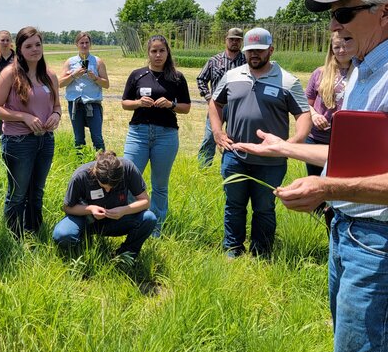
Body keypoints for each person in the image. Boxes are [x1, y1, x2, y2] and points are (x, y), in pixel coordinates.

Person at [232, 0, 388, 352]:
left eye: (345, 12)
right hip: (349, 231)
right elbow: (359, 161)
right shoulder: (365, 68)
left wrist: (325, 189)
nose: (335, 25)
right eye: (332, 15)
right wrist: (287, 148)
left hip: (382, 244)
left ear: (387, 13)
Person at [209, 27, 311, 259]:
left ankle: (261, 253)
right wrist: (217, 132)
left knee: (264, 208)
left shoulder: (287, 81)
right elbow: (215, 104)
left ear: (271, 50)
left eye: (259, 50)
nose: (254, 54)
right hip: (235, 155)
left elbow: (304, 115)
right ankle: (232, 250)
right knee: (234, 204)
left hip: (271, 161)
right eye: (250, 50)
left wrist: (290, 144)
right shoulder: (232, 76)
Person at [0, 27, 62, 237]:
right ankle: (14, 236)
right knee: (18, 193)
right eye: (28, 46)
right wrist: (24, 116)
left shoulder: (49, 75)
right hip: (18, 141)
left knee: (37, 192)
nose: (34, 49)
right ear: (19, 49)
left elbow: (57, 106)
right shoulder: (9, 74)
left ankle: (33, 233)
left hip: (45, 140)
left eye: (38, 44)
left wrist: (56, 116)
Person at [121, 35, 190, 237]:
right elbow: (125, 102)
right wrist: (138, 103)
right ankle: (133, 223)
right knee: (130, 179)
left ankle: (155, 228)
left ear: (168, 52)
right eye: (154, 51)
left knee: (160, 185)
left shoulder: (176, 77)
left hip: (166, 135)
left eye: (162, 51)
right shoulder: (138, 75)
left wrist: (171, 105)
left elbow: (186, 108)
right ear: (148, 53)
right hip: (139, 134)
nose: (158, 55)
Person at [52, 151, 156, 259]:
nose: (108, 190)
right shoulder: (81, 176)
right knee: (62, 234)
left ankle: (123, 256)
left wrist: (124, 210)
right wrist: (90, 209)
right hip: (86, 219)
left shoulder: (128, 168)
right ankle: (81, 252)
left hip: (117, 220)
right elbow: (67, 207)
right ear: (95, 173)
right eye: (104, 186)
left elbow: (145, 201)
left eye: (112, 187)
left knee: (149, 218)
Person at [304, 31, 354, 177]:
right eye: (337, 47)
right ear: (331, 49)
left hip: (347, 140)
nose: (342, 51)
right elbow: (306, 103)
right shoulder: (320, 73)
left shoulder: (361, 73)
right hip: (317, 139)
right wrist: (314, 115)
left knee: (341, 186)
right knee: (316, 185)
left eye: (345, 46)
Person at [195, 28, 246, 168]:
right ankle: (203, 170)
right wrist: (208, 98)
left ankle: (233, 168)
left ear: (241, 42)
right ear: (226, 40)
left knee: (237, 138)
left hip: (239, 107)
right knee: (209, 138)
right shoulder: (214, 61)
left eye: (237, 40)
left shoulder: (247, 62)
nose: (234, 42)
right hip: (217, 106)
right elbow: (201, 79)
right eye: (232, 39)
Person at [58, 31, 110, 153]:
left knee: (97, 138)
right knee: (79, 139)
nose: (84, 45)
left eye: (87, 43)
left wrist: (95, 78)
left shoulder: (97, 62)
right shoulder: (70, 62)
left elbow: (106, 84)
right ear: (76, 44)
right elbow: (60, 83)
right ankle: (80, 164)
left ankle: (103, 165)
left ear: (90, 44)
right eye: (82, 43)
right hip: (75, 104)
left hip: (93, 103)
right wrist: (73, 75)